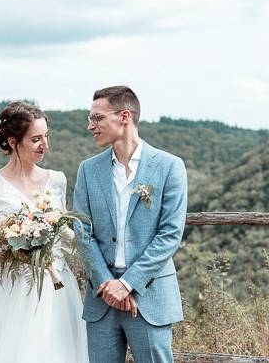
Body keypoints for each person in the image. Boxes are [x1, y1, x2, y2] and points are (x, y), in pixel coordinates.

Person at [0, 101, 88, 363]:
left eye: (46, 136)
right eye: (35, 139)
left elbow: (67, 241)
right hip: (10, 291)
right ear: (13, 142)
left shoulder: (57, 180)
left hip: (56, 289)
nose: (45, 144)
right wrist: (13, 248)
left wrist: (59, 232)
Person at [73, 86, 187, 363]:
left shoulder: (170, 166)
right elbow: (82, 232)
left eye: (97, 118)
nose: (91, 126)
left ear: (124, 116)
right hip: (101, 298)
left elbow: (170, 235)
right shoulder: (88, 169)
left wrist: (128, 284)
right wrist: (108, 285)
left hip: (150, 296)